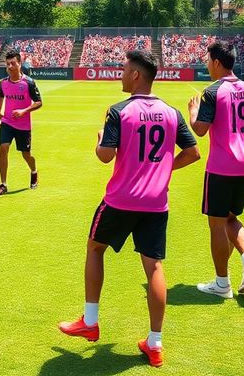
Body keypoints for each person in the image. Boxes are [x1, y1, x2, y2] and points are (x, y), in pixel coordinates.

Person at [58, 50, 200, 368]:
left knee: (95, 249)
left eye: (124, 69)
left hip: (121, 200)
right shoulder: (172, 112)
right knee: (154, 268)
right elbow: (193, 153)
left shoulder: (119, 111)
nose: (120, 74)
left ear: (136, 74)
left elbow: (105, 156)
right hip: (156, 203)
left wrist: (98, 140)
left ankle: (90, 322)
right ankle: (155, 343)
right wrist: (162, 170)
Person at [187, 41, 244, 298]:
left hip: (221, 165)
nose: (206, 64)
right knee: (231, 218)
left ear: (216, 62)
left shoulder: (213, 92)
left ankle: (222, 283)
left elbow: (201, 129)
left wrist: (193, 113)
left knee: (217, 224)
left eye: (207, 60)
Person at [0, 50, 42, 196]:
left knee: (26, 154)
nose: (10, 66)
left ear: (20, 64)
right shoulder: (3, 83)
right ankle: (3, 184)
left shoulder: (29, 83)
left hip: (23, 125)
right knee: (3, 148)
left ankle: (34, 171)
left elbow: (39, 102)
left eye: (13, 63)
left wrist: (24, 111)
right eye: (8, 64)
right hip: (7, 122)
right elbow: (0, 97)